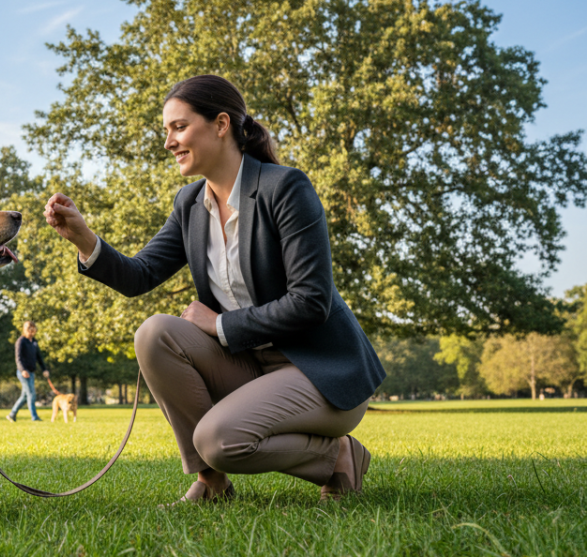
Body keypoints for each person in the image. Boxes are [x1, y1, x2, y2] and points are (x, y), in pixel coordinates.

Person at [43, 75, 386, 504]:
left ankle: (338, 457)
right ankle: (212, 483)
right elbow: (139, 275)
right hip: (250, 366)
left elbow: (311, 301)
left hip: (318, 370)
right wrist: (83, 238)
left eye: (179, 127)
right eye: (166, 130)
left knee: (219, 439)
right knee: (154, 333)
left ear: (221, 124)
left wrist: (220, 324)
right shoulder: (189, 204)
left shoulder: (285, 188)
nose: (168, 141)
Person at [6, 321, 50, 422]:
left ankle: (12, 414)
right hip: (23, 373)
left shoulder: (34, 342)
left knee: (25, 396)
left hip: (31, 372)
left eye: (33, 330)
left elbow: (39, 357)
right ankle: (34, 417)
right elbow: (18, 358)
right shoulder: (21, 341)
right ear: (25, 330)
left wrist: (44, 369)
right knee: (31, 394)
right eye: (29, 330)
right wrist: (22, 370)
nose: (32, 332)